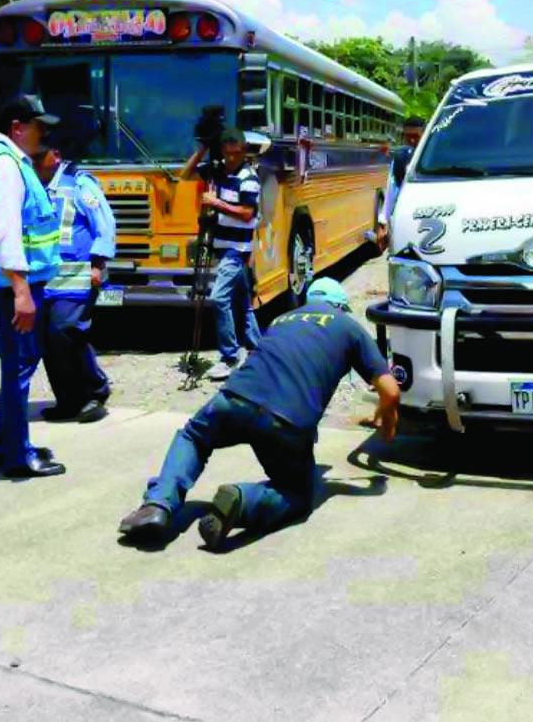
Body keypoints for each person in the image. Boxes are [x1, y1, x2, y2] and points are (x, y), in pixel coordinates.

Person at [118, 277, 401, 548]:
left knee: (195, 436)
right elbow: (390, 391)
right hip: (286, 422)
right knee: (297, 494)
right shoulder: (348, 327)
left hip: (236, 398)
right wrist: (386, 429)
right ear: (340, 306)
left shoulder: (281, 321)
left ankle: (158, 503)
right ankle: (243, 501)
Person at [0, 94, 65, 478]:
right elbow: (6, 232)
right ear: (18, 128)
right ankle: (17, 456)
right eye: (41, 127)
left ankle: (2, 445)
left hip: (7, 283)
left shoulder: (0, 158)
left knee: (17, 363)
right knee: (20, 365)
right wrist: (22, 291)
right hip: (12, 286)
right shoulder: (5, 167)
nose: (46, 135)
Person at [35, 139, 116, 424]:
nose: (32, 161)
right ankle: (68, 400)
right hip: (45, 280)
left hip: (78, 276)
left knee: (66, 331)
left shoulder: (79, 184)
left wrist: (98, 264)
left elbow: (104, 225)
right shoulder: (32, 186)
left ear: (55, 155)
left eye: (38, 156)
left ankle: (95, 391)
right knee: (47, 340)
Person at [180, 127, 260, 382]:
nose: (233, 159)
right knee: (242, 303)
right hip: (223, 247)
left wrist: (217, 204)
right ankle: (258, 350)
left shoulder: (248, 178)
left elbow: (247, 213)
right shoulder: (217, 171)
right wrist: (202, 148)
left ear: (244, 151)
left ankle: (229, 356)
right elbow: (185, 174)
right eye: (229, 155)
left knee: (219, 298)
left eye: (237, 154)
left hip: (237, 251)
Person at [377, 116, 426, 243]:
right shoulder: (400, 159)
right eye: (407, 136)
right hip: (406, 216)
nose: (411, 140)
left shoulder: (434, 157)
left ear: (425, 135)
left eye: (416, 136)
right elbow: (392, 189)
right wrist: (384, 220)